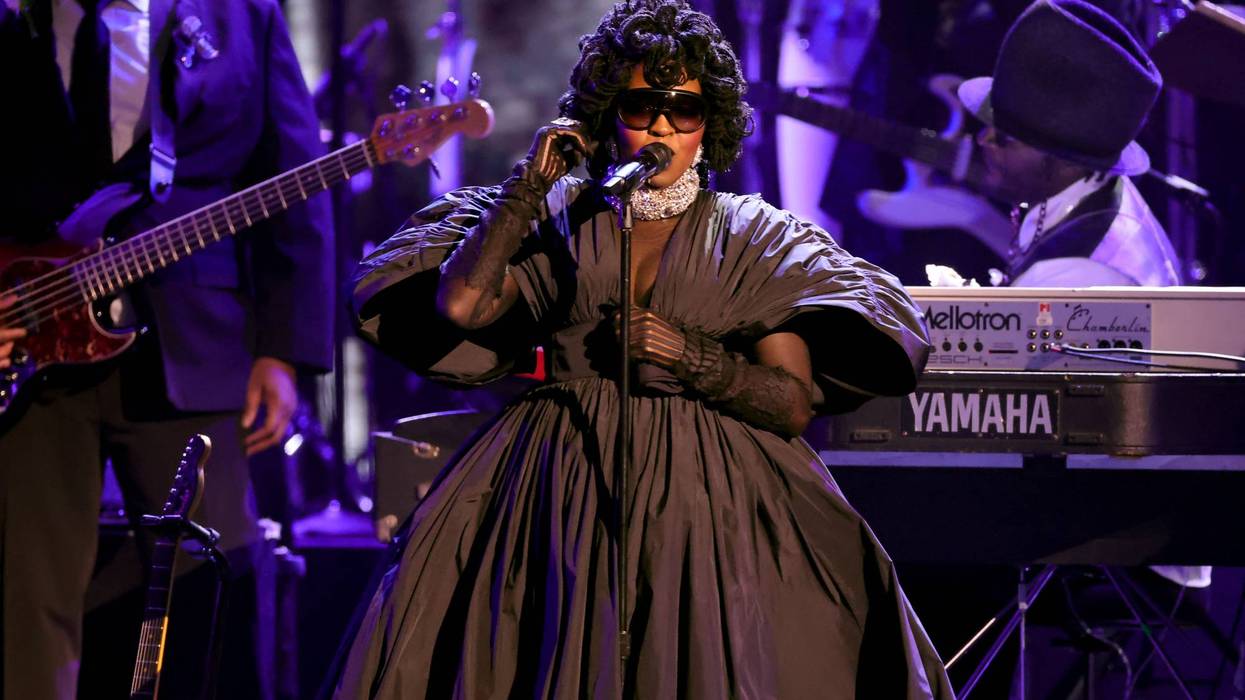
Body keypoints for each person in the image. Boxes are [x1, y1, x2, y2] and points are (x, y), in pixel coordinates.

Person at [334, 1, 951, 697]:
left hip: (713, 506)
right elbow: (463, 305)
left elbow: (791, 404)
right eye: (639, 106)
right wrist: (526, 188)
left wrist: (694, 359)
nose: (660, 124)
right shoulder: (555, 219)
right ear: (606, 115)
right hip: (556, 485)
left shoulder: (754, 239)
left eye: (681, 110)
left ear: (707, 125)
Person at [0, 0, 333, 697]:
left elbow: (291, 180)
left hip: (196, 345)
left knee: (209, 581)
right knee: (24, 603)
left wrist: (283, 350)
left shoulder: (245, 15)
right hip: (27, 353)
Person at [957, 0, 1181, 288]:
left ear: (1068, 161)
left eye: (1006, 136)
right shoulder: (1086, 192)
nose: (984, 139)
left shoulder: (1077, 275)